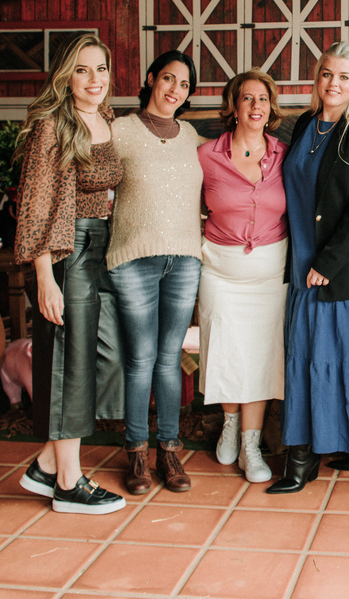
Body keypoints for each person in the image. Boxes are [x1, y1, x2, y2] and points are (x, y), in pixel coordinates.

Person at [267, 40, 349, 493]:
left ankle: (311, 456)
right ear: (316, 80)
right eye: (326, 74)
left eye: (343, 76)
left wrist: (329, 261)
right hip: (300, 265)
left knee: (341, 359)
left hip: (337, 271)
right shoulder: (304, 125)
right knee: (307, 358)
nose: (333, 83)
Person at [14, 33, 126, 515]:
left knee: (110, 354)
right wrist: (45, 277)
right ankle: (68, 480)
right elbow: (36, 205)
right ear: (65, 75)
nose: (94, 79)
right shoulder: (51, 126)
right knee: (67, 361)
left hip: (101, 246)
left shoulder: (105, 118)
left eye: (100, 68)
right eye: (83, 70)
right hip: (64, 250)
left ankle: (44, 464)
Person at [107, 50, 203, 495]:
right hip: (133, 258)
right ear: (151, 79)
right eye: (168, 79)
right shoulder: (120, 130)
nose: (174, 90)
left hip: (184, 259)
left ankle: (169, 450)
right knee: (140, 359)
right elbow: (93, 181)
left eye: (184, 85)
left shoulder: (193, 138)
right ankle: (137, 455)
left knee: (170, 360)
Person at [197, 71, 289, 484]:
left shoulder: (285, 154)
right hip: (219, 269)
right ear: (233, 106)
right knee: (225, 349)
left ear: (271, 108)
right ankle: (229, 423)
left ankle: (251, 443)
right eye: (247, 98)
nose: (256, 106)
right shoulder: (205, 155)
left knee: (262, 354)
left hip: (270, 273)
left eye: (263, 99)